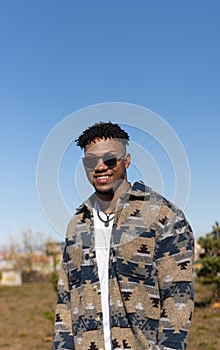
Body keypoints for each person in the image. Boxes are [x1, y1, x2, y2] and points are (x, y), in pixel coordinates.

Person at [53, 122, 194, 350]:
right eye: (91, 161)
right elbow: (65, 301)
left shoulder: (163, 216)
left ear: (126, 161)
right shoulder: (77, 225)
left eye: (109, 159)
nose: (100, 167)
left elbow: (178, 296)